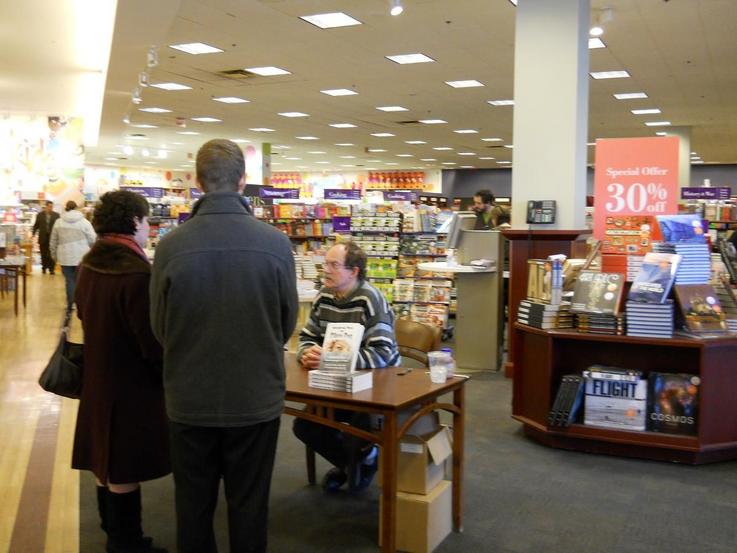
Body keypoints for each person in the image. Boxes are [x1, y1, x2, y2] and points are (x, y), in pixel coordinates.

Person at [150, 139, 298, 553]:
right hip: (255, 397)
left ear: (197, 182)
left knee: (192, 507)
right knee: (250, 506)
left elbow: (160, 326)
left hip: (189, 397)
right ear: (243, 181)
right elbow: (286, 322)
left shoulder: (171, 246)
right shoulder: (276, 244)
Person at [72, 191, 169, 553]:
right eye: (146, 221)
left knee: (105, 461)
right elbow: (150, 339)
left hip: (97, 377)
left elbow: (84, 314)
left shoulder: (89, 265)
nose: (148, 229)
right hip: (131, 385)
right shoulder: (136, 273)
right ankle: (126, 543)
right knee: (124, 466)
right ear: (134, 221)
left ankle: (114, 533)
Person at [293, 241, 400, 492]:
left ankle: (355, 463)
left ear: (353, 271)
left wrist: (332, 359)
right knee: (305, 425)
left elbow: (382, 353)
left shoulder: (370, 299)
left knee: (359, 428)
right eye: (325, 264)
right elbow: (308, 336)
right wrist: (307, 352)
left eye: (334, 265)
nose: (326, 270)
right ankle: (359, 463)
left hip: (376, 384)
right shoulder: (324, 296)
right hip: (335, 381)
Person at [49, 200, 96, 309]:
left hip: (65, 256)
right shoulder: (84, 222)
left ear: (66, 208)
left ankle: (71, 303)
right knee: (81, 280)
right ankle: (81, 302)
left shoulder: (58, 222)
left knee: (69, 280)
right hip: (81, 256)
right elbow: (92, 239)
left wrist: (53, 254)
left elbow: (53, 240)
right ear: (76, 208)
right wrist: (90, 250)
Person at [32, 200, 60, 274]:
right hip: (43, 237)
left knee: (51, 253)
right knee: (43, 253)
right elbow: (36, 225)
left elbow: (59, 226)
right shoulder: (40, 215)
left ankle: (51, 269)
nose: (51, 208)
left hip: (52, 238)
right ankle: (44, 267)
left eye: (52, 207)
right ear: (46, 207)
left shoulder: (56, 215)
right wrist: (33, 233)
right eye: (49, 206)